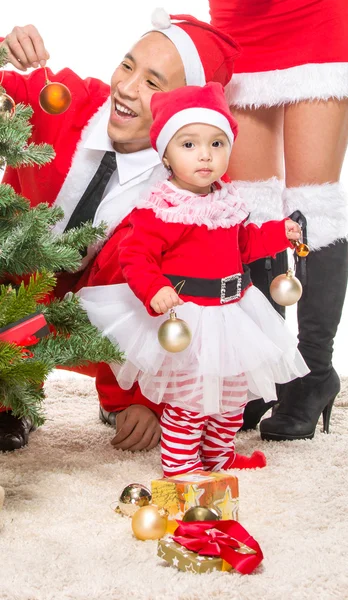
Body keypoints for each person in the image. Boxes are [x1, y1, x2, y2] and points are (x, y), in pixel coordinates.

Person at [0, 9, 241, 452]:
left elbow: (182, 303)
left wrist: (141, 400)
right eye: (127, 65)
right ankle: (10, 399)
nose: (126, 89)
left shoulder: (182, 194)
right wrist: (4, 52)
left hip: (89, 326)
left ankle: (118, 393)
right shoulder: (64, 97)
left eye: (152, 83)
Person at [77, 82, 309, 476]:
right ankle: (180, 463)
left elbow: (244, 244)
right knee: (191, 399)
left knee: (232, 397)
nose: (205, 155)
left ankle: (218, 456)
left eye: (216, 144)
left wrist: (277, 233)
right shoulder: (162, 208)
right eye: (189, 145)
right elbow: (136, 256)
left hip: (233, 311)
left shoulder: (226, 201)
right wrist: (155, 289)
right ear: (165, 153)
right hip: (190, 317)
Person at [209, 0, 348, 439]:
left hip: (314, 15)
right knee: (248, 208)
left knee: (313, 206)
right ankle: (265, 371)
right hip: (240, 22)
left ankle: (315, 372)